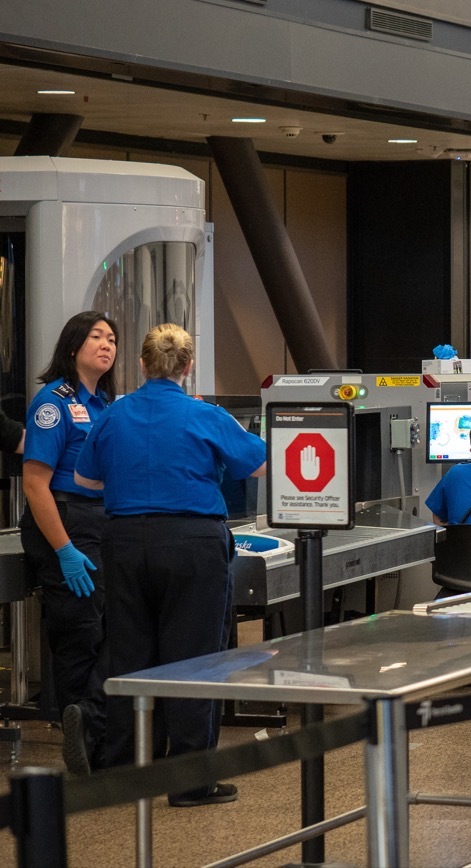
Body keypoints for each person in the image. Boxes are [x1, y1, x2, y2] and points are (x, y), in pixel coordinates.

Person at [75, 323, 266, 806]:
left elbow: (83, 476)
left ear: (140, 364)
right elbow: (259, 463)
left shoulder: (114, 416)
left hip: (122, 541)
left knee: (128, 654)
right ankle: (189, 781)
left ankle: (124, 771)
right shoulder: (205, 414)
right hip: (191, 542)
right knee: (195, 658)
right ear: (187, 367)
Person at [20, 310, 117, 777]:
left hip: (100, 521)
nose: (107, 344)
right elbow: (35, 484)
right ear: (74, 346)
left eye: (113, 339)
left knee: (109, 628)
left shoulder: (106, 405)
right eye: (97, 336)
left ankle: (94, 726)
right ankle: (81, 735)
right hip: (61, 519)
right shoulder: (52, 403)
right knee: (79, 630)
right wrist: (63, 550)